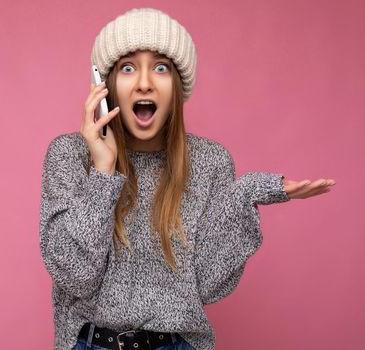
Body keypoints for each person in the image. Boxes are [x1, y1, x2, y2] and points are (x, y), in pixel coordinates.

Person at [39, 8, 336, 350]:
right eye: (128, 67)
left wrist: (242, 195)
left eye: (161, 67)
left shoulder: (210, 162)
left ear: (177, 86)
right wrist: (104, 171)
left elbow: (208, 286)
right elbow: (73, 274)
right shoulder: (70, 155)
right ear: (104, 87)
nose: (145, 82)